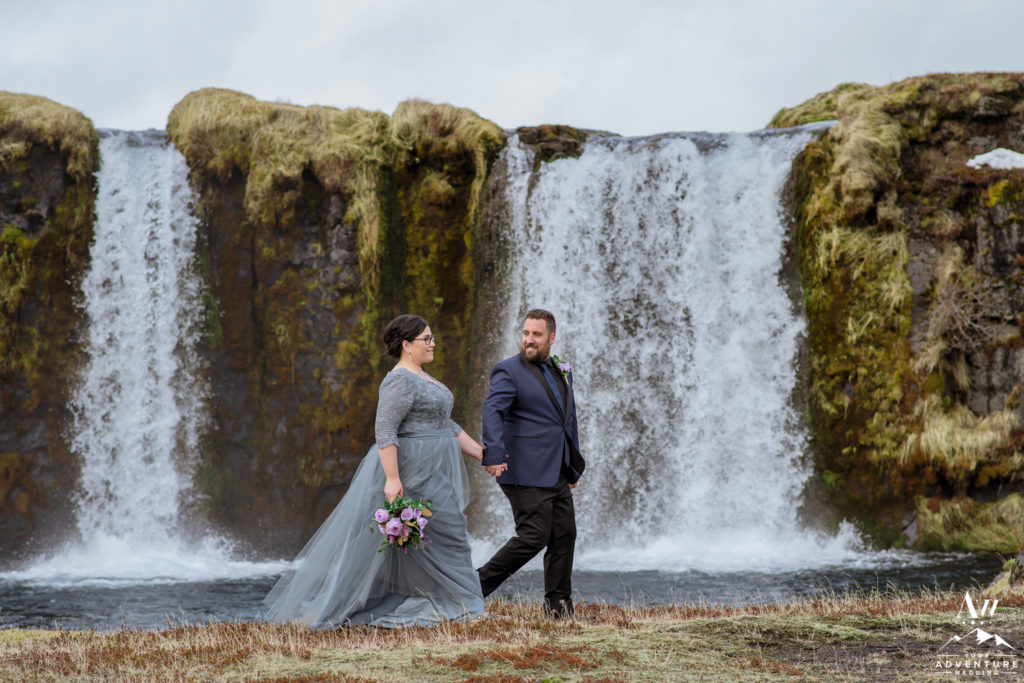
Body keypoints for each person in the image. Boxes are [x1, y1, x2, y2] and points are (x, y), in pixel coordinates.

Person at [264, 314, 491, 628]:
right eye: (427, 339)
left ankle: (458, 602)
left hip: (436, 469)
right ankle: (458, 604)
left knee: (449, 530)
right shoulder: (399, 380)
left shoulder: (423, 377)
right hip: (413, 471)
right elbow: (385, 430)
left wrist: (481, 453)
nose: (433, 343)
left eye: (432, 337)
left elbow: (445, 425)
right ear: (407, 345)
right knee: (435, 534)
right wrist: (393, 478)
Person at [477, 308, 585, 618]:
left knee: (565, 534)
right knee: (535, 535)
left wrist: (573, 463)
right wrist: (494, 454)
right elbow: (492, 412)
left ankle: (559, 608)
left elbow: (568, 421)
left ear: (551, 338)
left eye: (536, 334)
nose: (529, 339)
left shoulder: (562, 370)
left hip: (557, 469)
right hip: (522, 469)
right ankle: (474, 587)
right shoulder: (507, 370)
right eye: (525, 333)